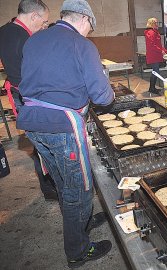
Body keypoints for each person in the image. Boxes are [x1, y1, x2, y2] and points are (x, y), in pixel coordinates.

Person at [16, 0, 115, 267]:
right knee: (79, 188)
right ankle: (78, 250)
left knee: (61, 180)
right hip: (61, 127)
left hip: (32, 122)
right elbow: (102, 96)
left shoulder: (34, 40)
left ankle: (80, 221)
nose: (89, 34)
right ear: (84, 20)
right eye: (90, 28)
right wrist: (110, 89)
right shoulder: (82, 45)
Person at [0, 0, 59, 201]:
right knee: (45, 144)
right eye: (43, 21)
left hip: (18, 95)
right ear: (33, 16)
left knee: (36, 142)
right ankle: (52, 188)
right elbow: (39, 72)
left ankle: (48, 187)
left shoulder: (4, 30)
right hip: (29, 97)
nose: (44, 26)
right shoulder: (26, 39)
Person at [145, 18, 167, 95]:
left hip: (155, 54)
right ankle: (151, 88)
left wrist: (166, 51)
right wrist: (161, 51)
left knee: (156, 71)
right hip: (153, 55)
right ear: (151, 24)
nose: (157, 24)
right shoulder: (150, 32)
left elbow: (158, 45)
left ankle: (152, 88)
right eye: (155, 23)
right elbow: (152, 46)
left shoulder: (154, 32)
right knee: (156, 72)